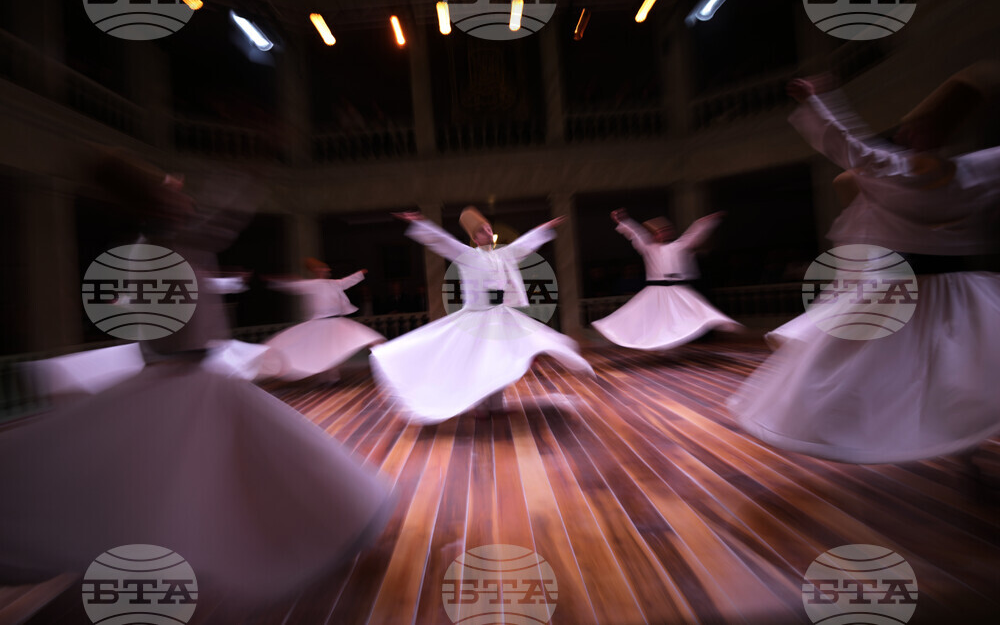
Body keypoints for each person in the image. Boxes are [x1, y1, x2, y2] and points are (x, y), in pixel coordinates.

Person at [0, 153, 393, 601]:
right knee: (216, 470)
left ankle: (271, 534)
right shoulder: (163, 247)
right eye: (176, 193)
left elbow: (188, 282)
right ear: (162, 206)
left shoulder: (163, 247)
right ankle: (267, 540)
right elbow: (211, 238)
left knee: (234, 465)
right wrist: (252, 169)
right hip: (184, 379)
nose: (186, 198)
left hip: (190, 376)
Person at [728, 67, 1000, 464]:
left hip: (946, 287)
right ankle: (929, 431)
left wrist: (818, 101)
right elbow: (850, 146)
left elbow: (849, 144)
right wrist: (820, 103)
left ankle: (957, 434)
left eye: (920, 128)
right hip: (928, 287)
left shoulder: (956, 171)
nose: (911, 134)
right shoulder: (931, 170)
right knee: (887, 366)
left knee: (955, 365)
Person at [370, 207, 593, 422]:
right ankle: (480, 407)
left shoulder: (503, 255)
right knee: (480, 363)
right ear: (475, 239)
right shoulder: (467, 255)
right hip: (477, 317)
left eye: (488, 228)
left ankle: (496, 405)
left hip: (500, 315)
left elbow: (524, 245)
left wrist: (543, 229)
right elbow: (442, 242)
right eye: (482, 231)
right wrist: (420, 223)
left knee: (499, 362)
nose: (488, 232)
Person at [592, 209, 741, 351]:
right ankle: (638, 338)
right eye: (660, 232)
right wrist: (624, 220)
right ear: (654, 235)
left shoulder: (679, 245)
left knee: (699, 310)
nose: (664, 234)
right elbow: (636, 234)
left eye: (666, 231)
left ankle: (719, 323)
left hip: (678, 289)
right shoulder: (648, 247)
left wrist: (708, 221)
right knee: (646, 318)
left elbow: (694, 233)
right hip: (656, 290)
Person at [261, 259, 384, 382]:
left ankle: (384, 362)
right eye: (321, 269)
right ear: (316, 271)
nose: (325, 271)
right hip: (320, 323)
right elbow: (293, 285)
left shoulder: (334, 283)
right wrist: (275, 281)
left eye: (325, 269)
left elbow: (349, 281)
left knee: (368, 337)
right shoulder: (313, 284)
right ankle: (329, 377)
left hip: (336, 322)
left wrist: (360, 273)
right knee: (324, 351)